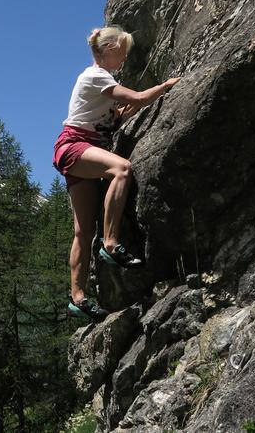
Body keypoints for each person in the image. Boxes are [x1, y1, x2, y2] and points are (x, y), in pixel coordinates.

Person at [54, 26, 180, 320]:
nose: (124, 59)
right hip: (75, 146)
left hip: (73, 149)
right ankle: (110, 243)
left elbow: (116, 115)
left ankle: (78, 297)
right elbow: (136, 99)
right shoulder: (97, 76)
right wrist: (165, 87)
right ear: (109, 49)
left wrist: (120, 115)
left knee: (83, 232)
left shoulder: (99, 80)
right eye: (122, 53)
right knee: (122, 169)